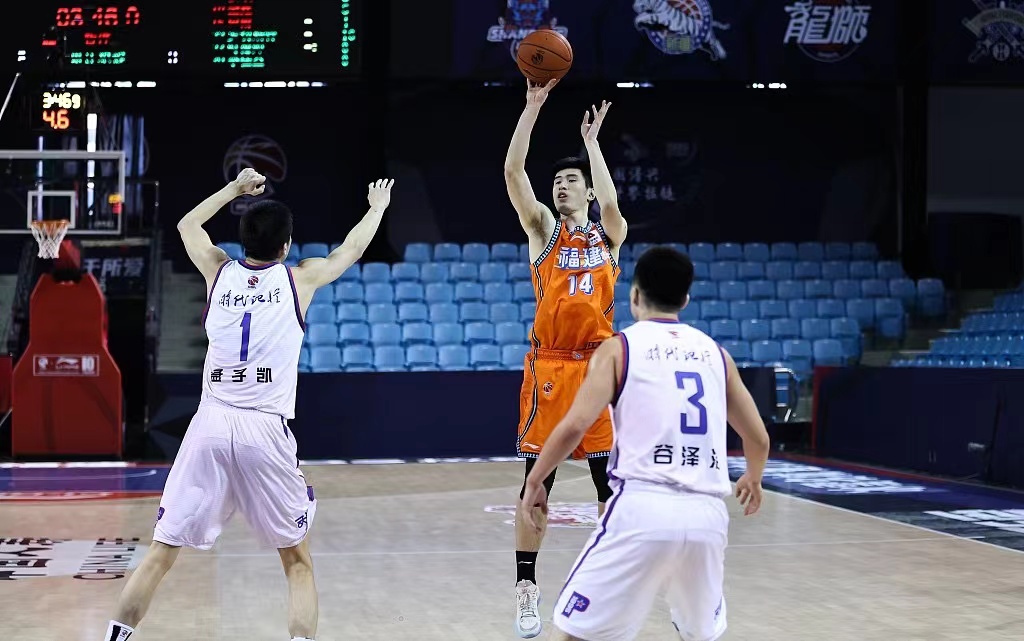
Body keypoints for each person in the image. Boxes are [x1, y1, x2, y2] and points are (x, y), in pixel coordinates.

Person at [102, 169, 395, 641]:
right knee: (297, 561)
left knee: (161, 552)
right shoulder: (300, 279)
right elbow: (352, 249)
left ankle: (115, 637)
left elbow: (187, 225)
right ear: (286, 246)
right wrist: (376, 209)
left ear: (242, 242)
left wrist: (234, 189)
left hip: (210, 425)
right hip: (264, 428)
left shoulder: (217, 270)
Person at [521, 246, 771, 641]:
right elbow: (758, 437)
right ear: (685, 299)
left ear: (634, 295)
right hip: (707, 517)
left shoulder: (619, 348)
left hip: (642, 508)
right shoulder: (717, 355)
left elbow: (575, 425)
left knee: (570, 632)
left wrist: (536, 480)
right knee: (700, 635)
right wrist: (754, 477)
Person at [503, 77, 628, 638]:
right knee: (537, 483)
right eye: (557, 180)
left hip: (598, 367)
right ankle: (527, 590)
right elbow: (514, 173)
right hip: (550, 369)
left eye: (571, 180)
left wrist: (593, 144)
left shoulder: (609, 237)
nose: (561, 185)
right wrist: (532, 109)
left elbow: (613, 205)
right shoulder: (543, 233)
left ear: (588, 191)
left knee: (609, 488)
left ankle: (606, 583)